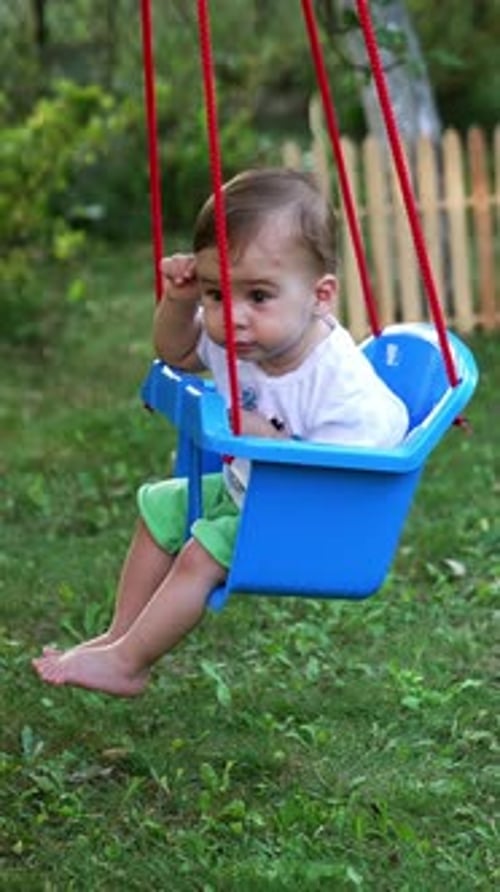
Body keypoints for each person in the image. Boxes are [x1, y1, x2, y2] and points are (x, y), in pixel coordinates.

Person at [32, 168, 409, 697]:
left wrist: (273, 445)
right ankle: (118, 638)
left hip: (308, 519)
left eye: (258, 295)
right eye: (216, 294)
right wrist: (181, 301)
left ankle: (129, 665)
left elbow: (357, 471)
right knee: (159, 508)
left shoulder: (341, 384)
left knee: (201, 551)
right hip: (249, 492)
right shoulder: (246, 338)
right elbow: (178, 353)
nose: (232, 317)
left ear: (321, 296)